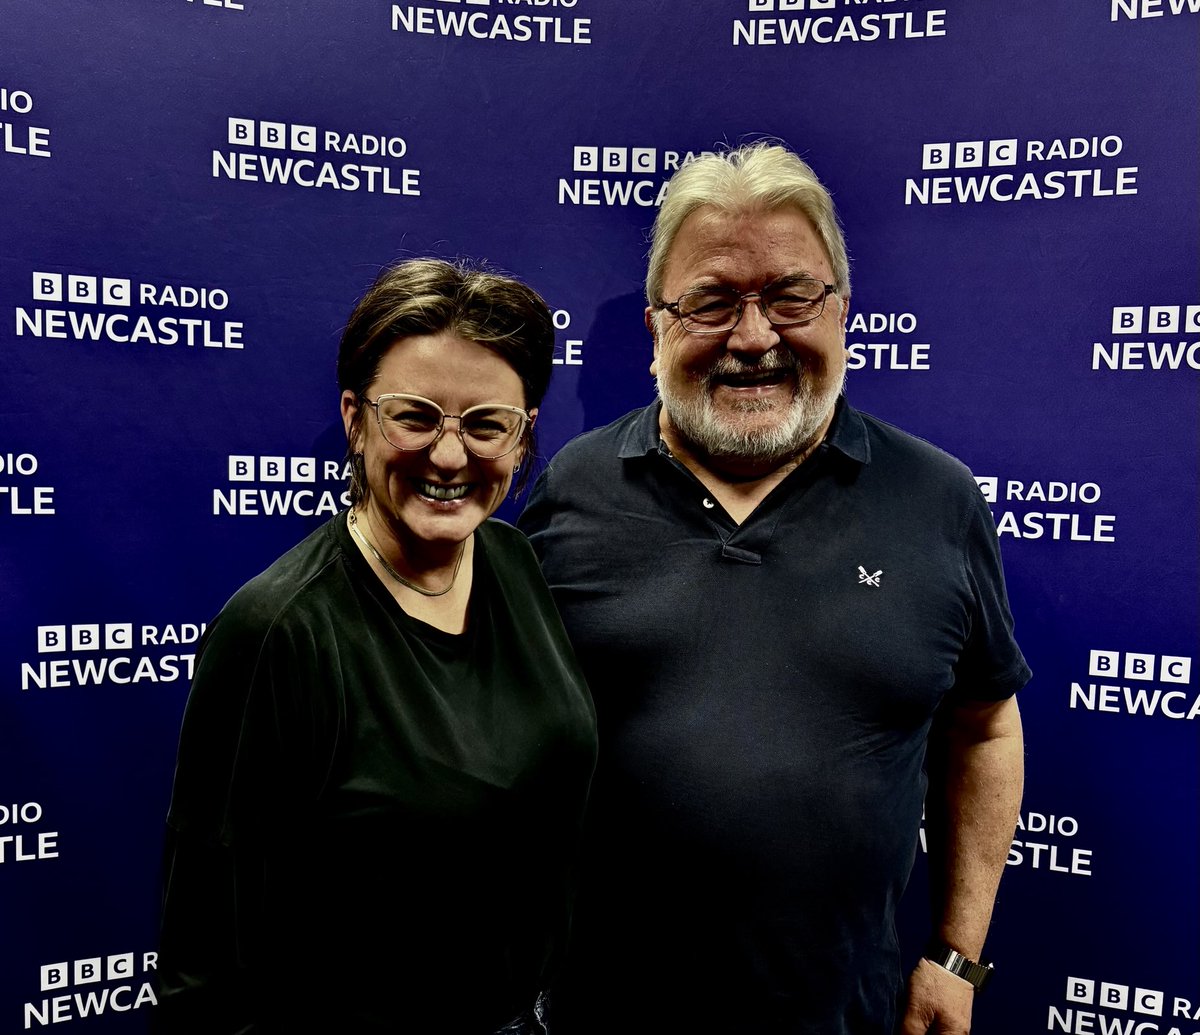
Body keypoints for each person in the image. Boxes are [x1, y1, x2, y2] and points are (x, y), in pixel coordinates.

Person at [518, 143, 1029, 1035]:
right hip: (602, 1012)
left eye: (790, 296)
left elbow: (986, 724)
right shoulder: (573, 487)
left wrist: (955, 956)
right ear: (656, 329)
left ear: (841, 311)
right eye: (711, 301)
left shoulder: (938, 499)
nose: (753, 337)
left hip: (844, 1014)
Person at [156, 258, 597, 1034]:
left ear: (524, 438)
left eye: (487, 423)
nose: (451, 455)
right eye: (416, 416)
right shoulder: (279, 632)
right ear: (356, 418)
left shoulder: (513, 559)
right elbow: (206, 971)